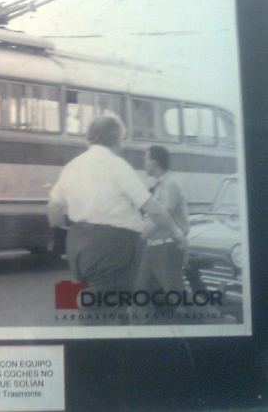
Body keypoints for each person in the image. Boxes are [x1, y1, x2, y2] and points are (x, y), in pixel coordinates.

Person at [47, 116, 185, 325]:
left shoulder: (72, 166)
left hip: (77, 244)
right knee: (104, 310)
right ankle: (100, 348)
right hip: (112, 246)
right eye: (122, 141)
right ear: (115, 140)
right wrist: (177, 233)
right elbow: (153, 209)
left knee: (96, 301)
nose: (122, 146)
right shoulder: (117, 166)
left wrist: (60, 234)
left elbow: (54, 208)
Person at [134, 145, 188, 323]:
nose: (143, 163)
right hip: (154, 249)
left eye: (145, 159)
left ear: (155, 162)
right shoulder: (160, 185)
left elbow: (161, 218)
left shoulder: (170, 183)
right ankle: (139, 332)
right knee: (138, 293)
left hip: (166, 248)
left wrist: (141, 236)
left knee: (178, 297)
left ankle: (217, 321)